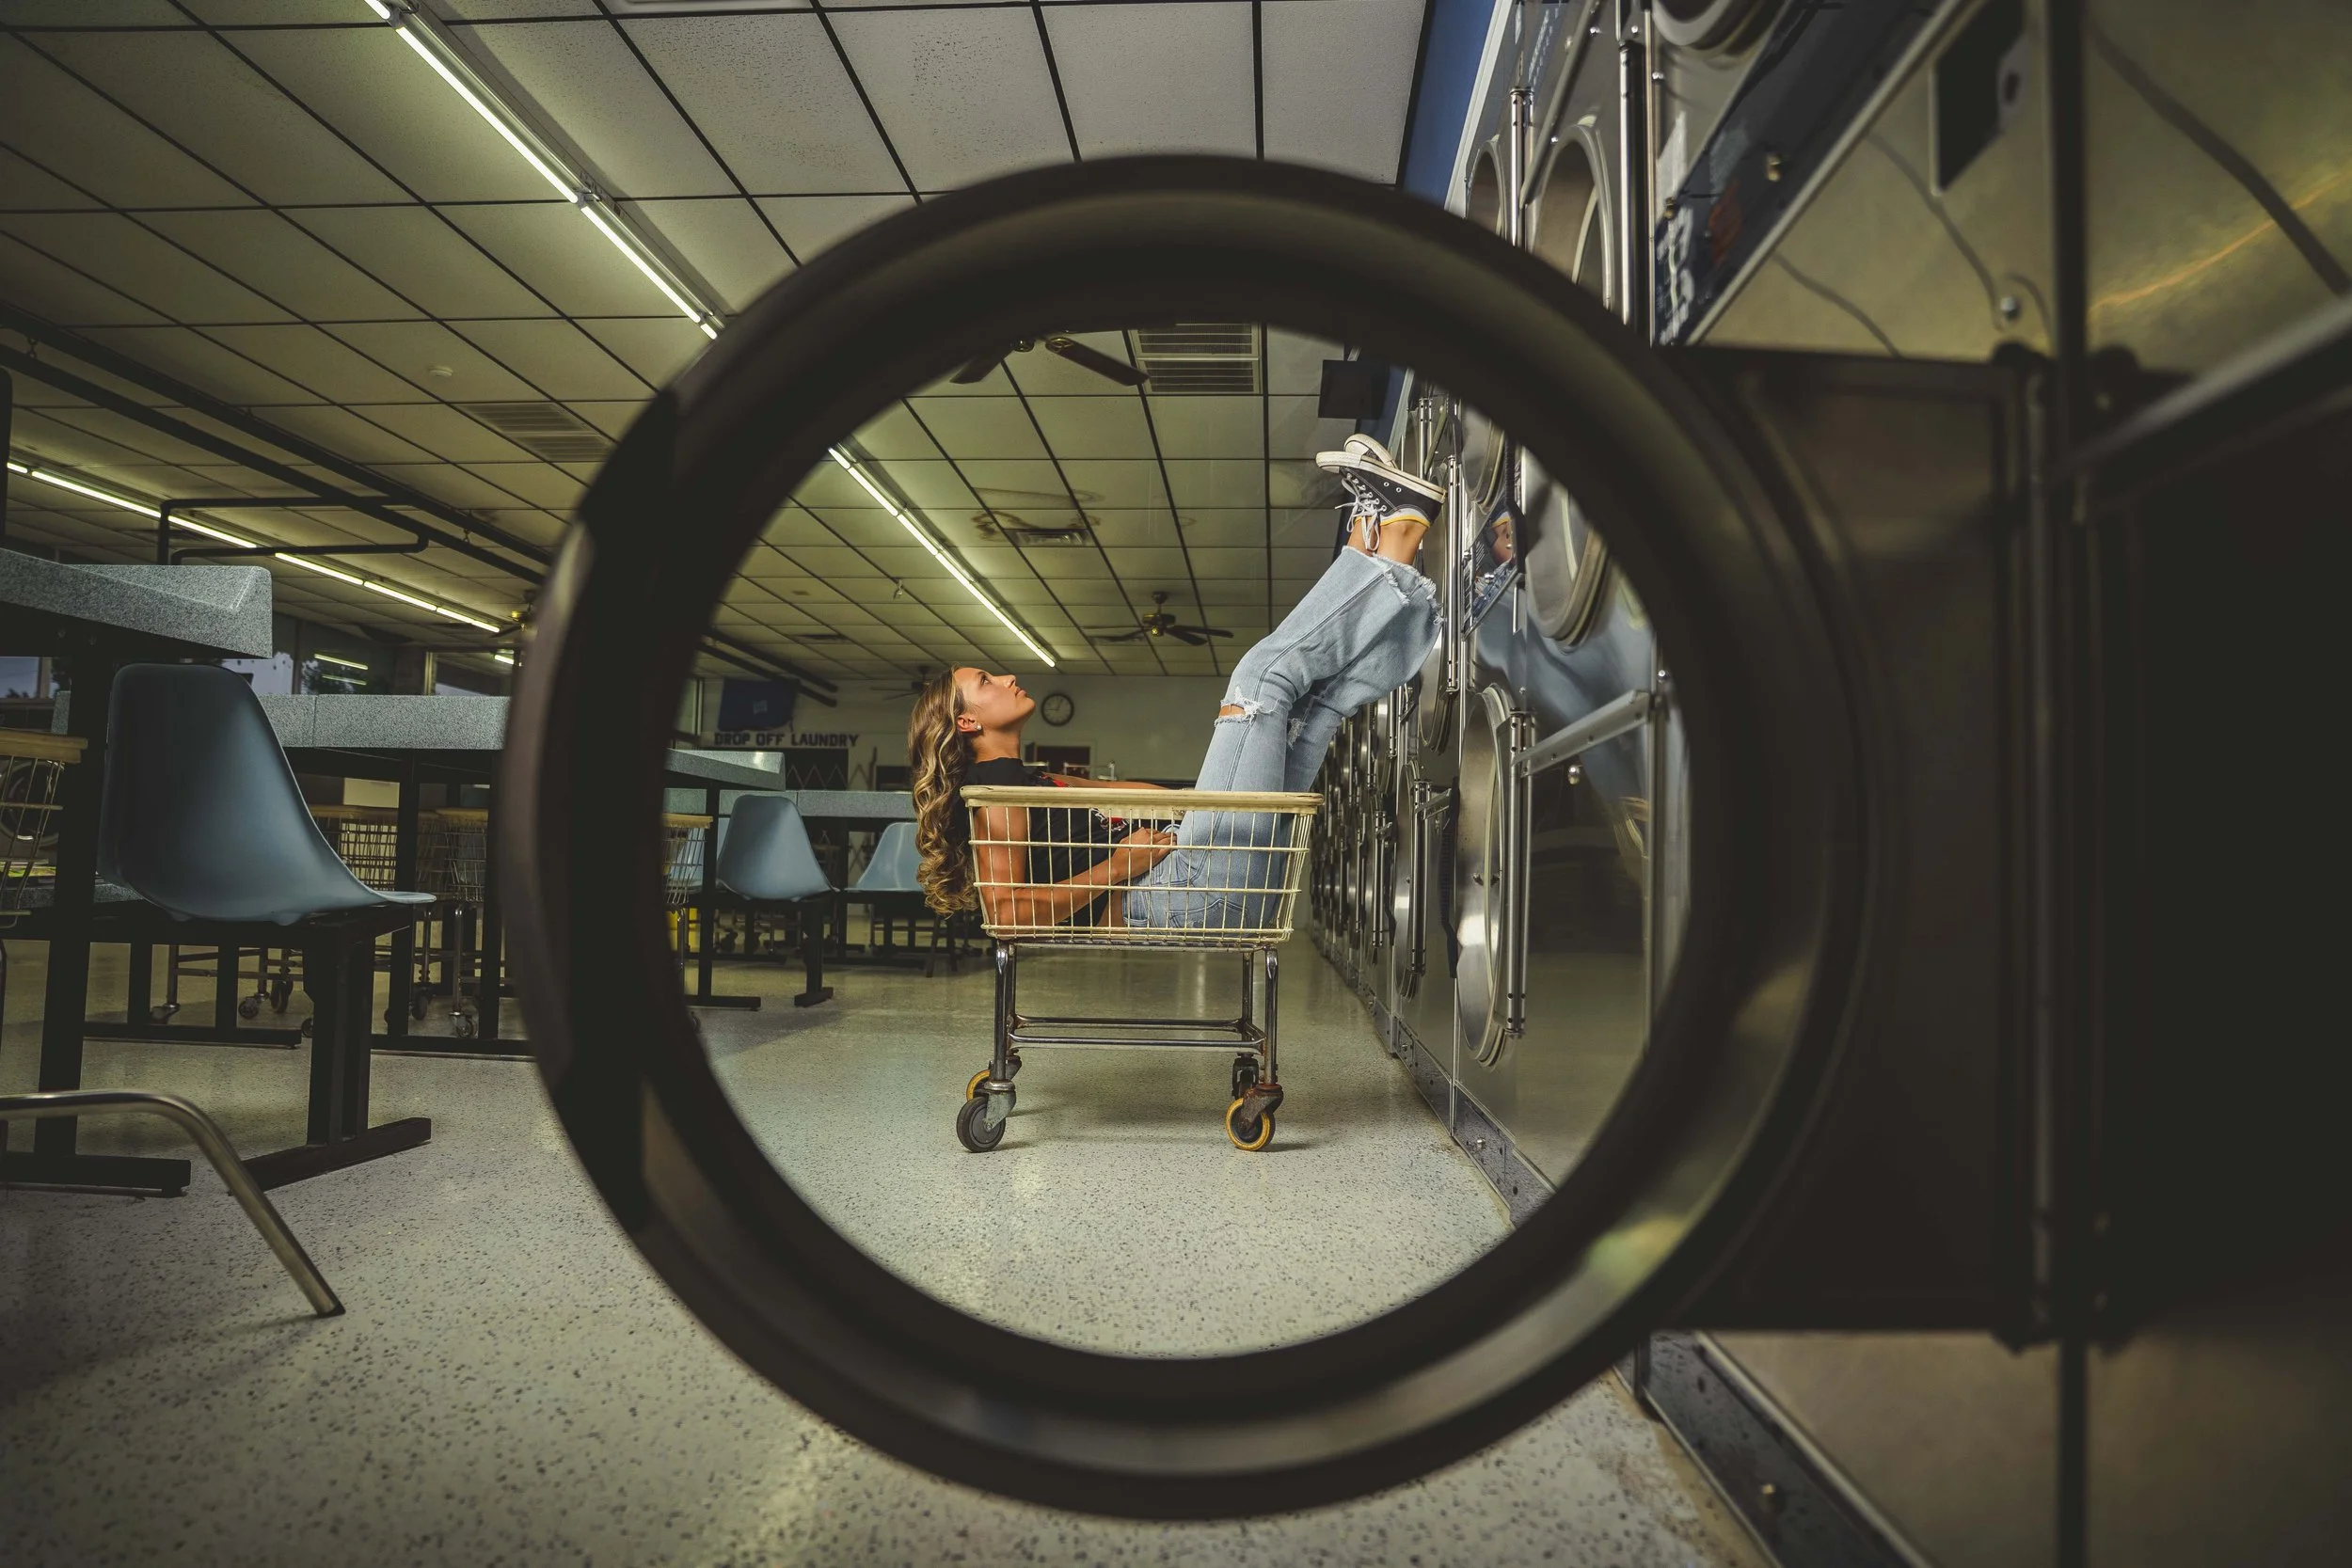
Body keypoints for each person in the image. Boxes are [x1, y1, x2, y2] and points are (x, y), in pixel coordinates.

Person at [908, 435, 1443, 930]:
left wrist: (1214, 787)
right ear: (967, 720)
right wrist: (1121, 864)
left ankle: (1398, 542)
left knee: (1313, 706)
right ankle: (1379, 535)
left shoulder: (1032, 783)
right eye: (984, 681)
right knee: (1260, 680)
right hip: (1179, 892)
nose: (1004, 677)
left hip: (1200, 882)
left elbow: (1141, 795)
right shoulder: (992, 795)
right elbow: (1007, 914)